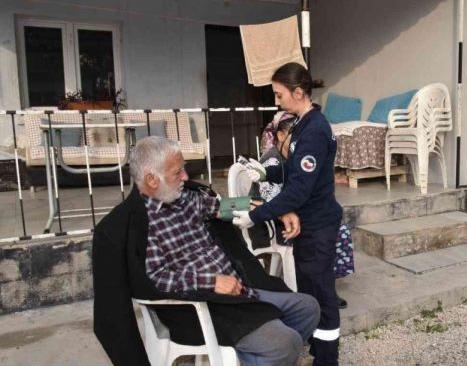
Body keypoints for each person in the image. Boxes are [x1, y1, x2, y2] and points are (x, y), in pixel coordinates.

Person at [93, 136, 320, 366]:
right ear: (152, 179)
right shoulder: (137, 224)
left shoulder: (186, 197)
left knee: (307, 308)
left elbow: (225, 207)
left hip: (239, 289)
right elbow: (157, 279)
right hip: (202, 307)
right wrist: (211, 282)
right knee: (285, 343)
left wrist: (277, 211)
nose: (185, 177)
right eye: (178, 172)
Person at [236, 63, 343, 366]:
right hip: (307, 222)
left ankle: (327, 360)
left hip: (318, 224)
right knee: (309, 292)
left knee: (322, 294)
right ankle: (317, 352)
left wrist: (256, 216)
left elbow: (299, 190)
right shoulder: (301, 124)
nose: (276, 101)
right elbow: (293, 171)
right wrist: (266, 172)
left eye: (279, 94)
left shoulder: (314, 131)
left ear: (298, 92)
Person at [250, 110, 355, 308]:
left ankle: (324, 287)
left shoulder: (296, 158)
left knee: (335, 227)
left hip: (292, 216)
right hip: (273, 225)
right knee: (325, 231)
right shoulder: (272, 160)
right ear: (281, 135)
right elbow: (269, 201)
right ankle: (317, 290)